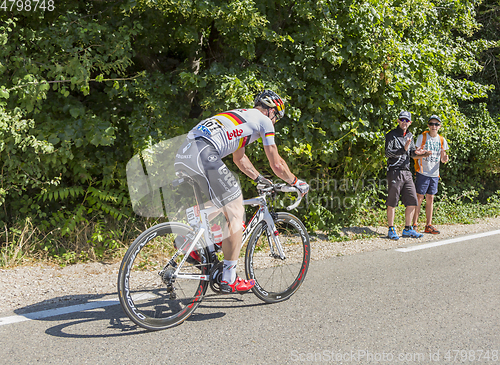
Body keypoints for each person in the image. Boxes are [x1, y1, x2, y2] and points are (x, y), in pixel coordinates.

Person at [174, 90, 309, 293]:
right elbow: (277, 164)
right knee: (237, 210)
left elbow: (240, 159)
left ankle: (194, 243)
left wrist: (260, 179)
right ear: (272, 111)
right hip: (204, 153)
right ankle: (229, 277)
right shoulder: (264, 121)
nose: (275, 122)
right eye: (277, 118)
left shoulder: (242, 117)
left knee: (226, 204)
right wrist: (296, 182)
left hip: (185, 153)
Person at [385, 111, 431, 240]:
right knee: (392, 201)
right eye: (402, 120)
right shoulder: (391, 135)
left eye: (407, 120)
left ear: (410, 122)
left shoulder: (410, 135)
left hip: (407, 171)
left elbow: (411, 153)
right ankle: (391, 229)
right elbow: (388, 153)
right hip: (394, 171)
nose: (404, 122)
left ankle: (407, 229)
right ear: (398, 121)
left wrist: (423, 154)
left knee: (412, 200)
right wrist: (403, 149)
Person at [412, 115, 449, 234]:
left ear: (440, 126)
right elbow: (414, 155)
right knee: (419, 197)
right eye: (432, 124)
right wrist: (423, 155)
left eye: (436, 124)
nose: (434, 126)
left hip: (434, 173)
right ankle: (414, 224)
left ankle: (428, 225)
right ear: (428, 125)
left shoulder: (442, 140)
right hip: (422, 171)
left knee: (430, 198)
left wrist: (445, 158)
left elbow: (443, 159)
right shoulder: (422, 137)